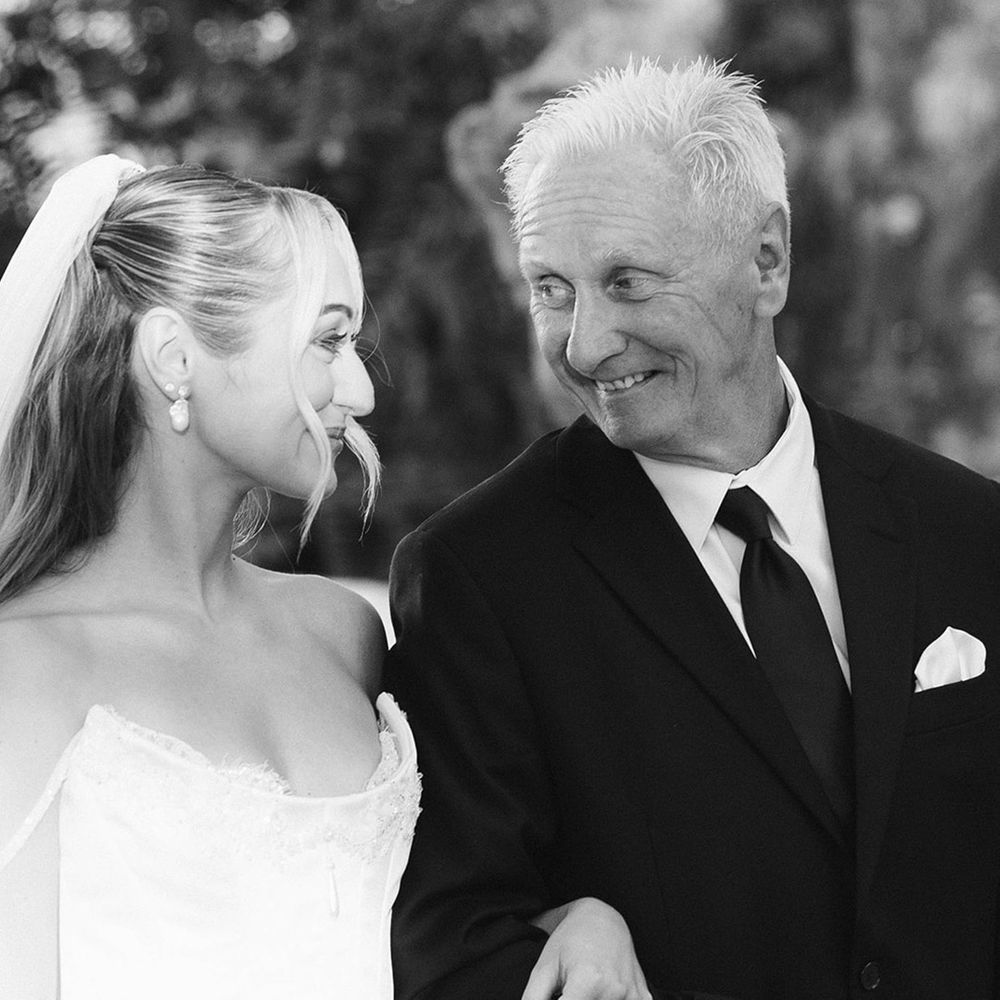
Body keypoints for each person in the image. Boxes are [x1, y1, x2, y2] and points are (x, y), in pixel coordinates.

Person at [385, 58, 1000, 1000]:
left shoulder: (970, 530)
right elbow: (452, 944)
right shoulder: (477, 578)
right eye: (551, 289)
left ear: (767, 261)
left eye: (627, 282)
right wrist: (564, 933)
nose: (584, 345)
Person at [0, 155, 420, 999]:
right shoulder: (23, 672)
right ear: (174, 358)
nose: (361, 390)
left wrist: (565, 923)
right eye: (329, 340)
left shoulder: (345, 636)